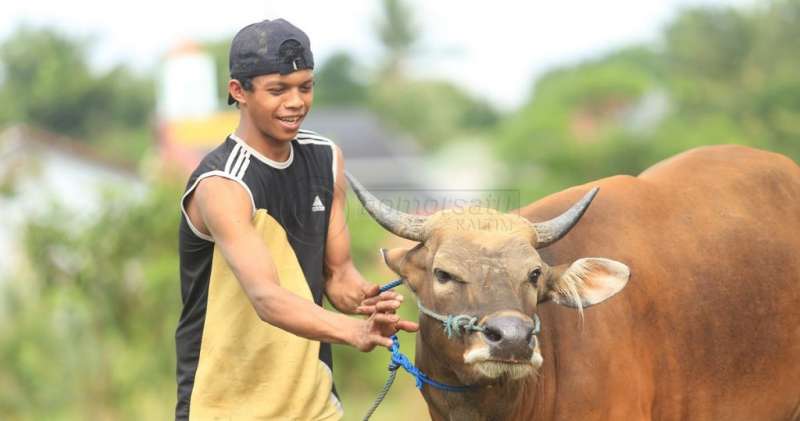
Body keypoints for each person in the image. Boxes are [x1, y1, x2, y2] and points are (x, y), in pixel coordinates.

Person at [174, 18, 418, 420]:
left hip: (314, 403)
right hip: (224, 405)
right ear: (239, 91)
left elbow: (337, 277)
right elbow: (266, 298)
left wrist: (373, 299)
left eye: (305, 86)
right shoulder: (223, 183)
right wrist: (353, 331)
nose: (296, 102)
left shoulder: (326, 158)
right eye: (278, 90)